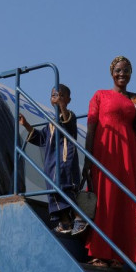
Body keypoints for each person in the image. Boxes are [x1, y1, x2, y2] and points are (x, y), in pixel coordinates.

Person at [82, 56, 136, 267]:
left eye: (127, 70)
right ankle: (100, 253)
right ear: (111, 73)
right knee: (106, 198)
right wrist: (88, 157)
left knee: (127, 198)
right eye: (118, 70)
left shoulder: (135, 101)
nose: (122, 74)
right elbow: (92, 127)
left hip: (128, 154)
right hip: (105, 151)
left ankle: (123, 255)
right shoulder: (100, 95)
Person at [19, 84, 86, 235]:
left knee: (65, 189)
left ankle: (79, 218)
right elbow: (41, 139)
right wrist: (27, 125)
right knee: (53, 192)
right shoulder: (50, 122)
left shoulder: (69, 116)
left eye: (61, 96)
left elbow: (68, 125)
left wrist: (62, 107)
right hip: (51, 164)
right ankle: (65, 222)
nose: (57, 98)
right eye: (54, 95)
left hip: (64, 161)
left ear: (68, 99)